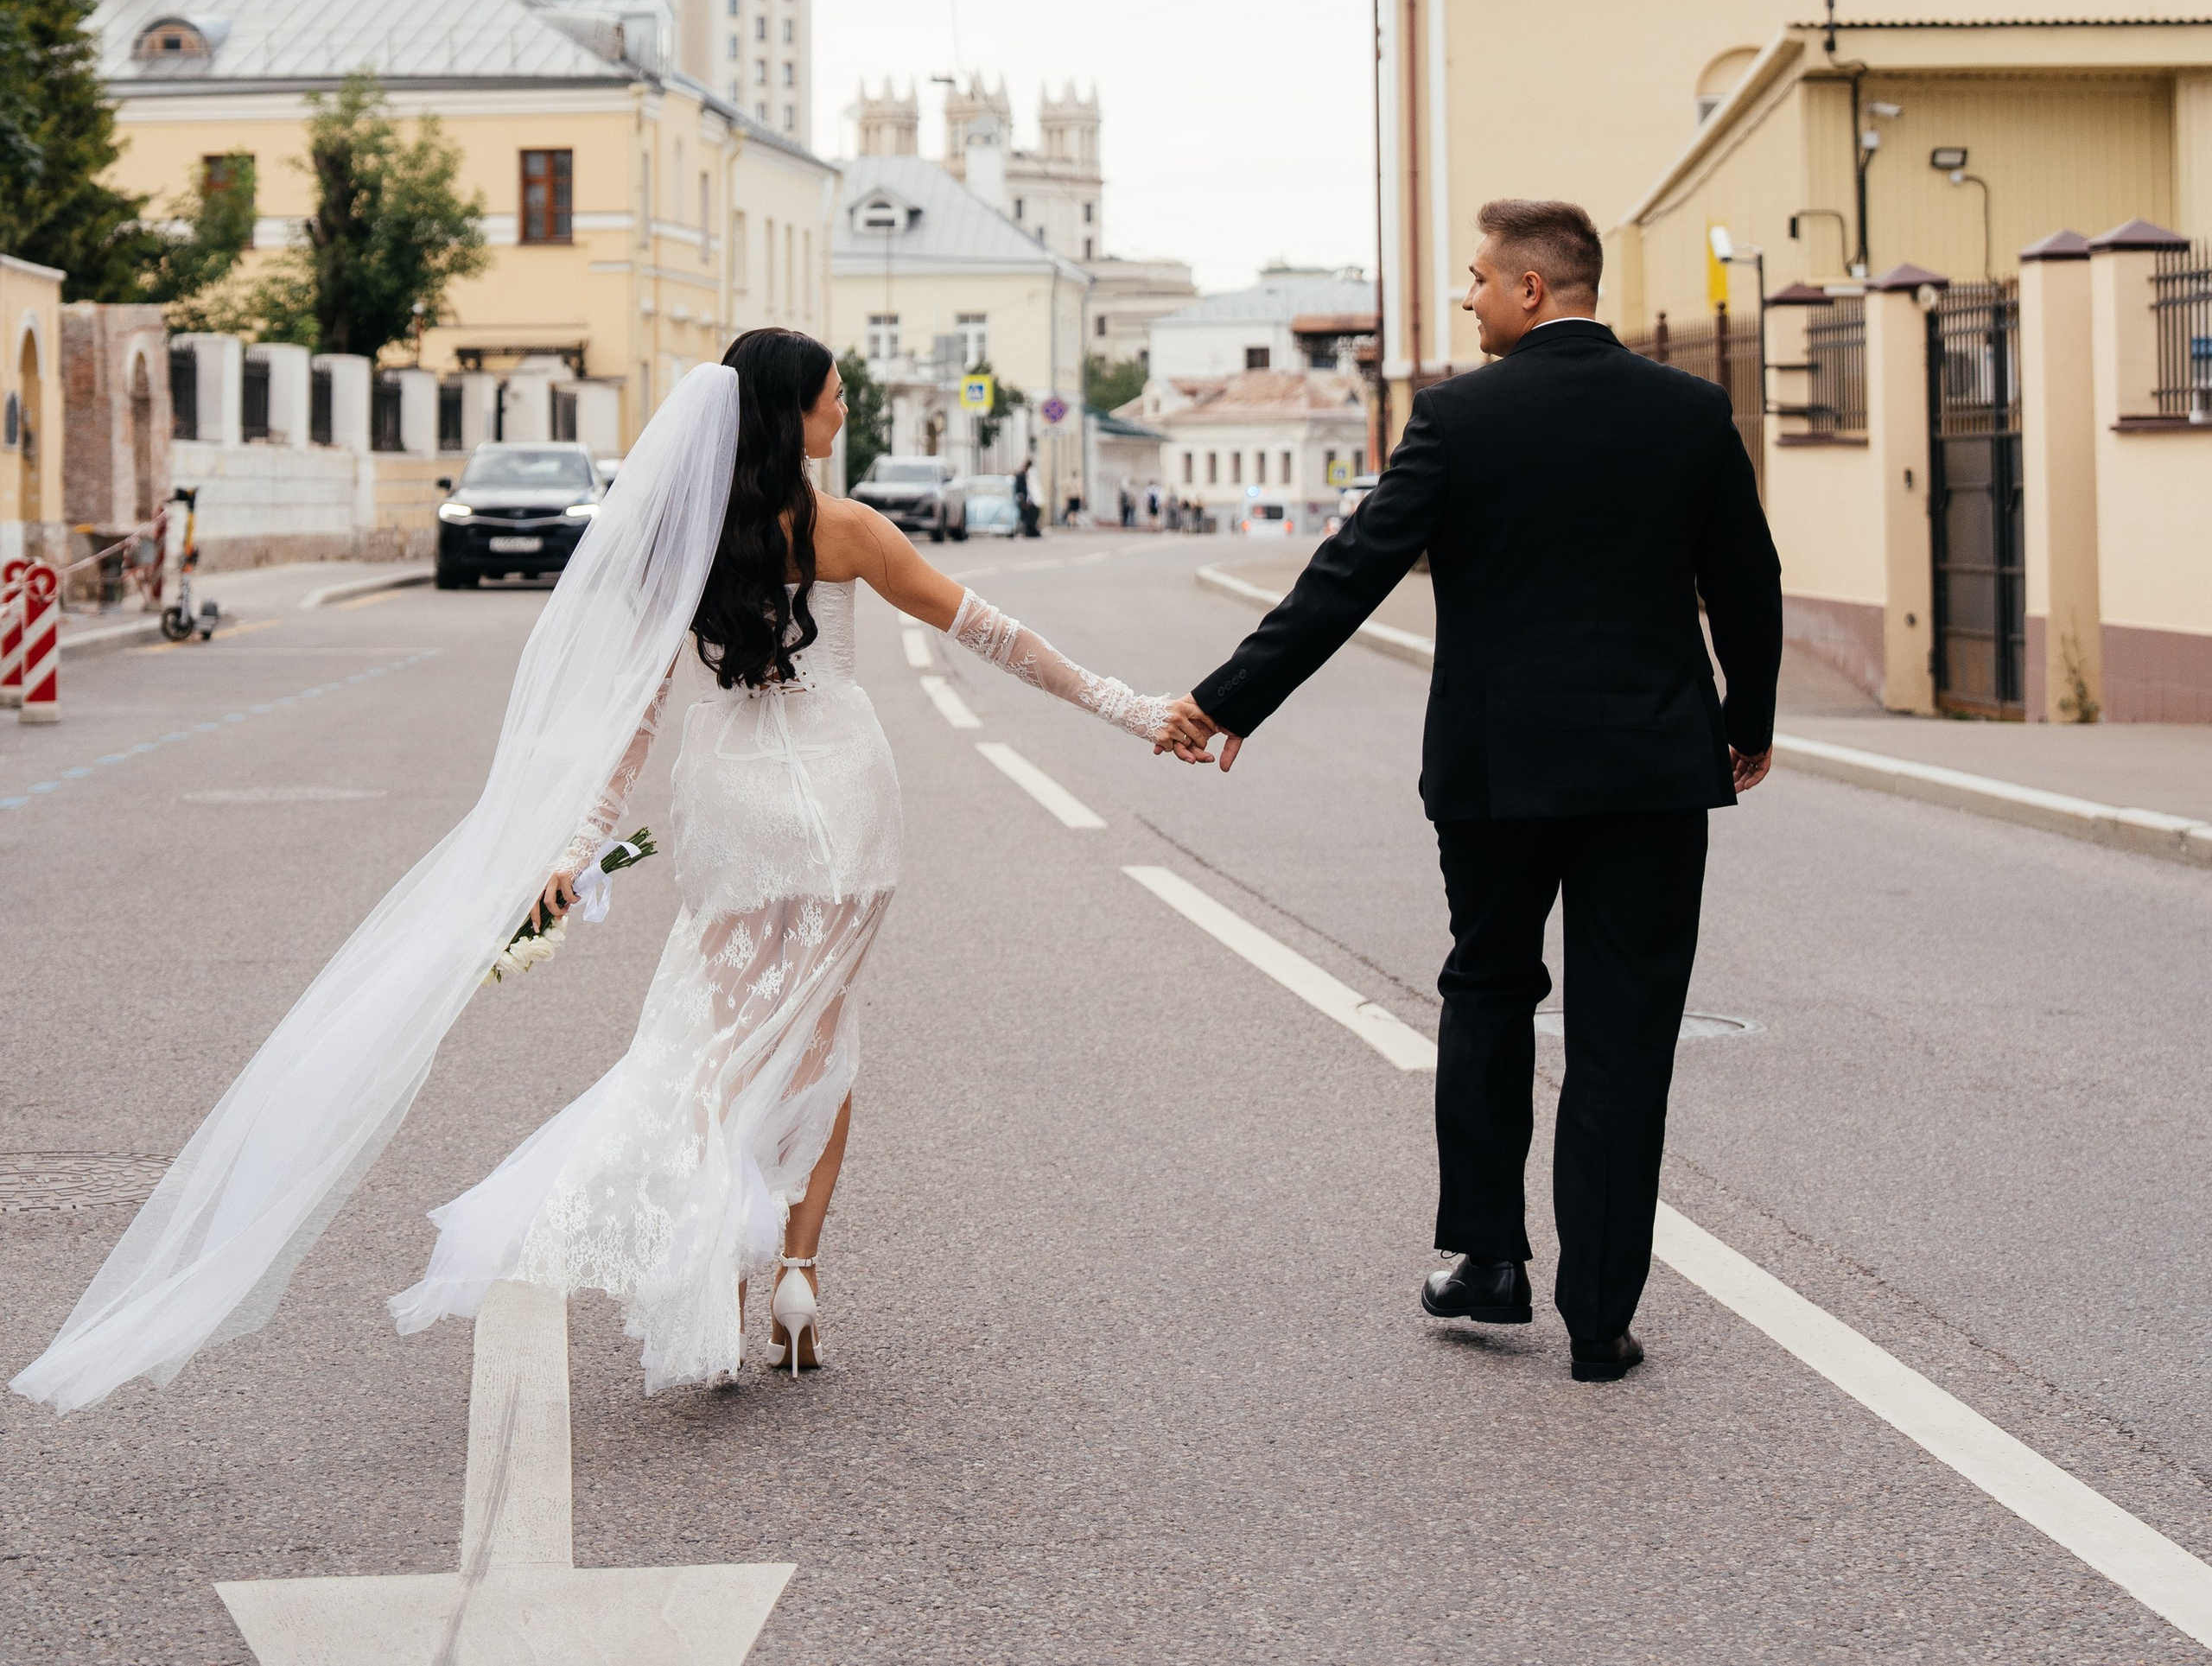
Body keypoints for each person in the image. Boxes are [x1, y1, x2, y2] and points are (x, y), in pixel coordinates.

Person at [14, 334, 1173, 1413]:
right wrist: (1134, 710)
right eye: (832, 394)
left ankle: (722, 1268)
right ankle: (799, 1278)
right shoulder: (848, 529)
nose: (844, 408)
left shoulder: (686, 546)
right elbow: (994, 632)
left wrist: (577, 846)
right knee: (824, 1040)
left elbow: (629, 725)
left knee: (719, 1054)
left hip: (734, 812)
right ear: (793, 411)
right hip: (850, 810)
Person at [1155, 196, 1781, 1385]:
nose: (1470, 298)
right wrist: (1743, 720)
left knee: (1490, 989)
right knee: (1624, 1033)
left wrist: (1229, 699)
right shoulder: (1692, 413)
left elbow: (1348, 573)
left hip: (1498, 773)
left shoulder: (1460, 417)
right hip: (1653, 770)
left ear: (1533, 288)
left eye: (1481, 280)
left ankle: (1491, 1260)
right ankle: (1601, 1318)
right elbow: (1747, 580)